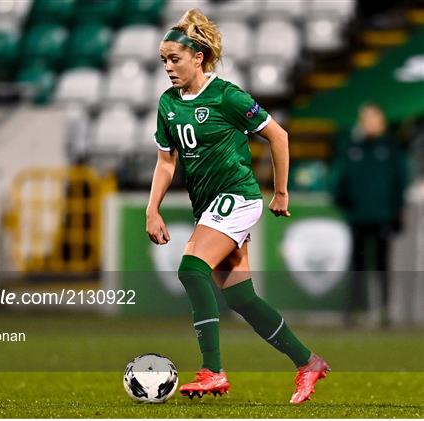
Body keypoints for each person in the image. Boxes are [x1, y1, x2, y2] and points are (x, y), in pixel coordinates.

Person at [145, 9, 329, 405]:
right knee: (241, 297)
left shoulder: (227, 96)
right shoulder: (168, 103)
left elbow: (278, 136)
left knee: (191, 267)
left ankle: (213, 370)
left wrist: (280, 192)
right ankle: (308, 363)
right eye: (164, 61)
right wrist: (152, 209)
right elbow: (166, 161)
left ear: (198, 57)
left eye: (175, 59)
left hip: (238, 196)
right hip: (209, 206)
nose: (168, 68)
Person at [330, 103, 408, 327]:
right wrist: (344, 200)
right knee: (358, 264)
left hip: (383, 216)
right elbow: (339, 179)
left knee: (383, 264)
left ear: (381, 122)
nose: (370, 123)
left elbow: (400, 181)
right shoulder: (353, 148)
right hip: (358, 217)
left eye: (374, 118)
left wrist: (397, 210)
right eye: (366, 119)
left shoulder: (391, 149)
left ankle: (384, 309)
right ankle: (353, 309)